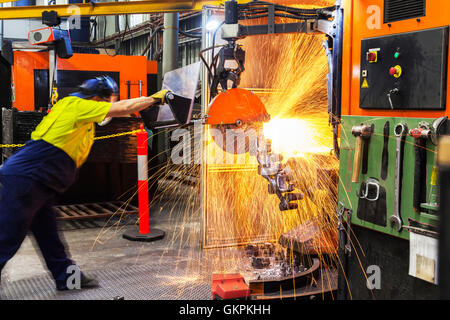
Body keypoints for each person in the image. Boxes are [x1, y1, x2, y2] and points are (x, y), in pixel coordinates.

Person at [0, 76, 167, 291]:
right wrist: (154, 99)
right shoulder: (79, 105)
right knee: (7, 238)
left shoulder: (72, 107)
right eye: (107, 101)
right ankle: (66, 278)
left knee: (49, 236)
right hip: (29, 178)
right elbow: (123, 107)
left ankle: (68, 279)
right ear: (97, 98)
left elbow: (118, 111)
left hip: (41, 182)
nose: (109, 107)